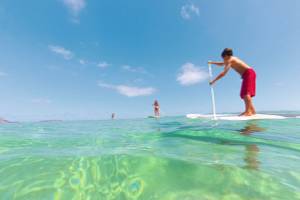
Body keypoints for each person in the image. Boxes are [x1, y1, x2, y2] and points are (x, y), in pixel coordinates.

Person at [209, 48, 256, 116]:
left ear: (226, 56)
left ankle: (248, 111)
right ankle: (252, 111)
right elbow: (222, 64)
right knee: (243, 93)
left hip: (249, 73)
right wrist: (212, 62)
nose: (223, 60)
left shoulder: (230, 60)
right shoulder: (231, 59)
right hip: (247, 74)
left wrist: (213, 81)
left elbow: (224, 73)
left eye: (223, 58)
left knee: (246, 93)